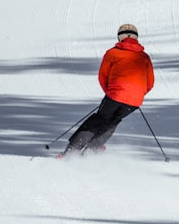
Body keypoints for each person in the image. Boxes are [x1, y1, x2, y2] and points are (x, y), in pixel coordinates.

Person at [60, 24, 155, 158]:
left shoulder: (112, 53)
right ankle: (92, 150)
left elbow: (102, 76)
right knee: (113, 121)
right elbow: (150, 83)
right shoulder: (144, 57)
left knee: (99, 119)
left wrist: (112, 93)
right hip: (134, 101)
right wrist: (135, 95)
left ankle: (72, 151)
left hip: (115, 95)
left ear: (120, 37)